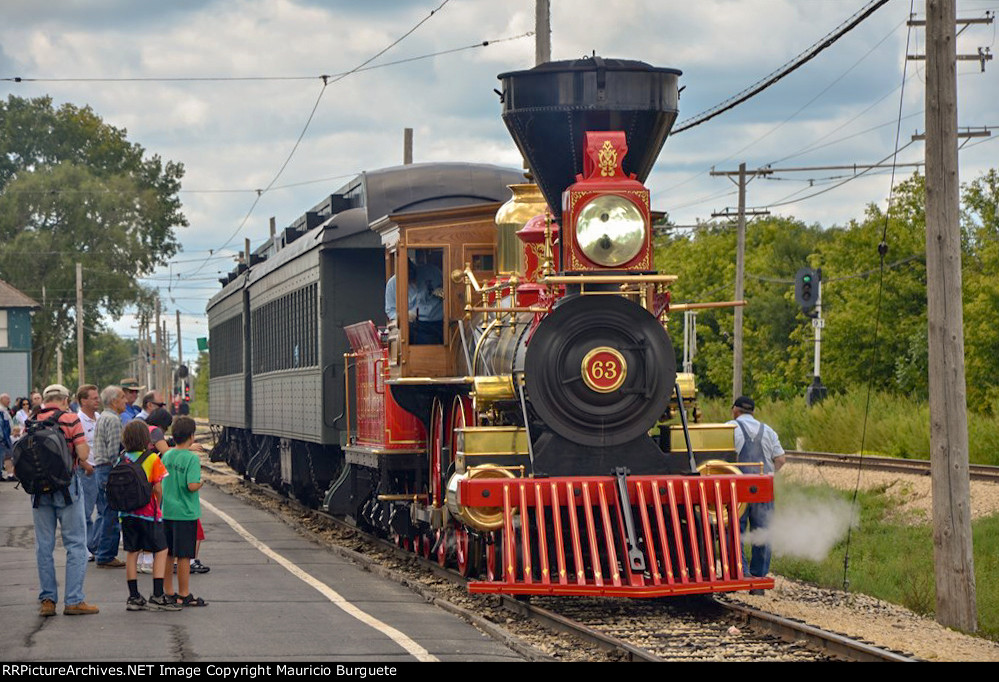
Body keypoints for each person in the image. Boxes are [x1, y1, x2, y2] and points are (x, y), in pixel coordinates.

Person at [30, 384, 98, 616]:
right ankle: (74, 600)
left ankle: (48, 600)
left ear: (46, 399)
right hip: (67, 488)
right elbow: (82, 454)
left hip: (38, 490)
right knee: (76, 544)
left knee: (44, 546)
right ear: (65, 399)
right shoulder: (70, 418)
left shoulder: (33, 419)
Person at [117, 420, 180, 611]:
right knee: (160, 550)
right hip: (148, 513)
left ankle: (134, 596)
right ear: (147, 439)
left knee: (132, 552)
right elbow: (158, 487)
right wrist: (157, 505)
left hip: (127, 513)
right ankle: (157, 594)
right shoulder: (152, 459)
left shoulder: (122, 458)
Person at [728, 395, 786, 594]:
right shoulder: (768, 431)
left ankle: (741, 573)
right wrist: (770, 474)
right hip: (763, 487)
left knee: (735, 531)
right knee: (763, 532)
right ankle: (759, 579)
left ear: (735, 410)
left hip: (738, 489)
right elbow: (781, 459)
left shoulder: (730, 428)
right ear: (753, 412)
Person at [161, 416, 207, 606]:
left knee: (168, 553)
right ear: (192, 436)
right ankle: (184, 593)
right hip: (186, 513)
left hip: (168, 511)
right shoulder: (191, 459)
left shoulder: (167, 455)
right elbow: (192, 486)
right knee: (184, 556)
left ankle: (168, 591)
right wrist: (201, 482)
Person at [93, 385, 127, 568]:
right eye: (122, 397)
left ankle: (99, 549)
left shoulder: (103, 417)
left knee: (104, 511)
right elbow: (114, 452)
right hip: (109, 470)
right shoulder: (113, 420)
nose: (126, 401)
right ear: (114, 401)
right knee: (111, 514)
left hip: (100, 469)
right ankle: (106, 555)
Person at [385, 258, 444, 345]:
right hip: (416, 326)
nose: (410, 274)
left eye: (411, 271)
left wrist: (443, 291)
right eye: (406, 273)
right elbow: (391, 310)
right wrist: (403, 316)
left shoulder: (432, 272)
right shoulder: (392, 284)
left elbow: (450, 288)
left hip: (439, 323)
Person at [75, 384, 100, 558]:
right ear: (83, 400)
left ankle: (94, 544)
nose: (97, 400)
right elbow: (76, 447)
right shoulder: (78, 421)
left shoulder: (99, 417)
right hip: (88, 471)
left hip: (102, 468)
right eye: (94, 398)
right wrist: (86, 466)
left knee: (104, 510)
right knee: (85, 511)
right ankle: (84, 546)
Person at [0, 393, 13, 480]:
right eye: (7, 399)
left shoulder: (5, 410)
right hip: (3, 439)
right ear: (1, 400)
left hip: (6, 438)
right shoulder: (1, 411)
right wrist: (2, 438)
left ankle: (10, 474)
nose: (9, 401)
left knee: (7, 456)